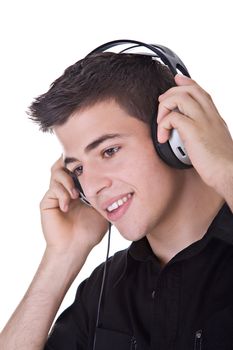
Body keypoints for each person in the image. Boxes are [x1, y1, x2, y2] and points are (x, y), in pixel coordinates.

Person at [0, 46, 233, 350]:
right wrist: (63, 256)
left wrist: (227, 171)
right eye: (79, 169)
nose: (93, 186)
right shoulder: (103, 291)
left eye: (109, 151)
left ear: (175, 137)